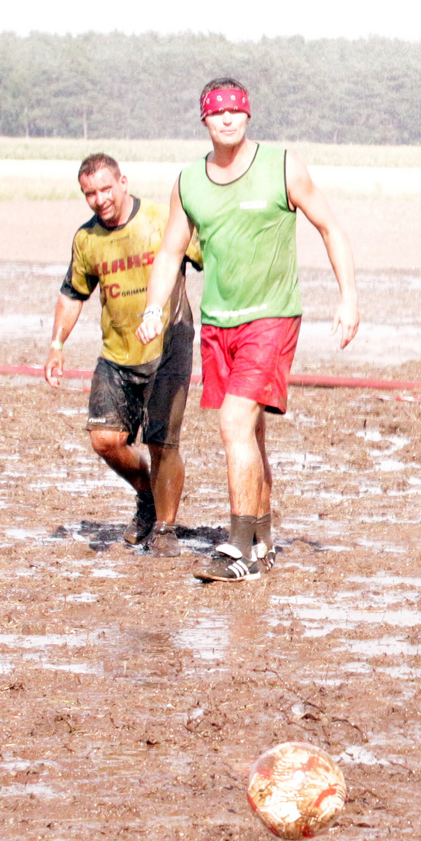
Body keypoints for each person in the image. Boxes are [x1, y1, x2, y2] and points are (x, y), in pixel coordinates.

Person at [137, 77, 360, 582]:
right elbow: (171, 251)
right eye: (218, 112)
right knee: (252, 432)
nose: (228, 118)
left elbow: (331, 227)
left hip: (272, 318)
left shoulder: (282, 166)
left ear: (249, 114)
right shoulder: (188, 181)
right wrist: (155, 307)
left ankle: (237, 551)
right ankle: (261, 537)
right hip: (220, 323)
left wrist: (348, 298)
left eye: (236, 109)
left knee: (234, 423)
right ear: (205, 120)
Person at [45, 153, 203, 557]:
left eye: (105, 189)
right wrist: (57, 345)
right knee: (104, 440)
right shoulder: (87, 240)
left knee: (161, 441)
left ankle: (165, 528)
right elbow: (72, 295)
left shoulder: (162, 220)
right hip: (117, 354)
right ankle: (148, 497)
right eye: (89, 194)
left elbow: (212, 258)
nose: (99, 200)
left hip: (169, 344)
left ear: (123, 182)